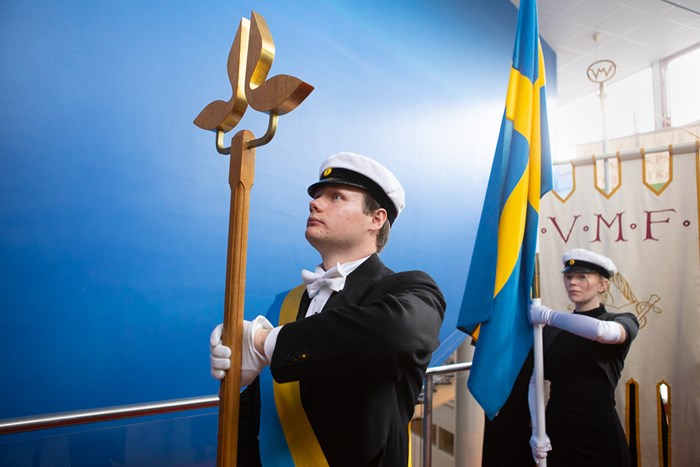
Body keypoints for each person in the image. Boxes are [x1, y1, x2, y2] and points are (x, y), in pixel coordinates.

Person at [209, 152, 446, 466]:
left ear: (376, 219)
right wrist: (236, 371)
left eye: (336, 197)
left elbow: (398, 334)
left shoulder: (410, 288)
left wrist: (263, 342)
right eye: (317, 196)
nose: (315, 203)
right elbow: (255, 418)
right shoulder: (285, 304)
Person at [527, 248, 639, 467]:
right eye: (568, 277)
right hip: (557, 431)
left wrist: (549, 316)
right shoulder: (553, 331)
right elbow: (535, 380)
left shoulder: (621, 319)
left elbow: (601, 332)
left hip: (599, 436)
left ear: (603, 285)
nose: (572, 283)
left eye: (582, 277)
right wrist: (537, 430)